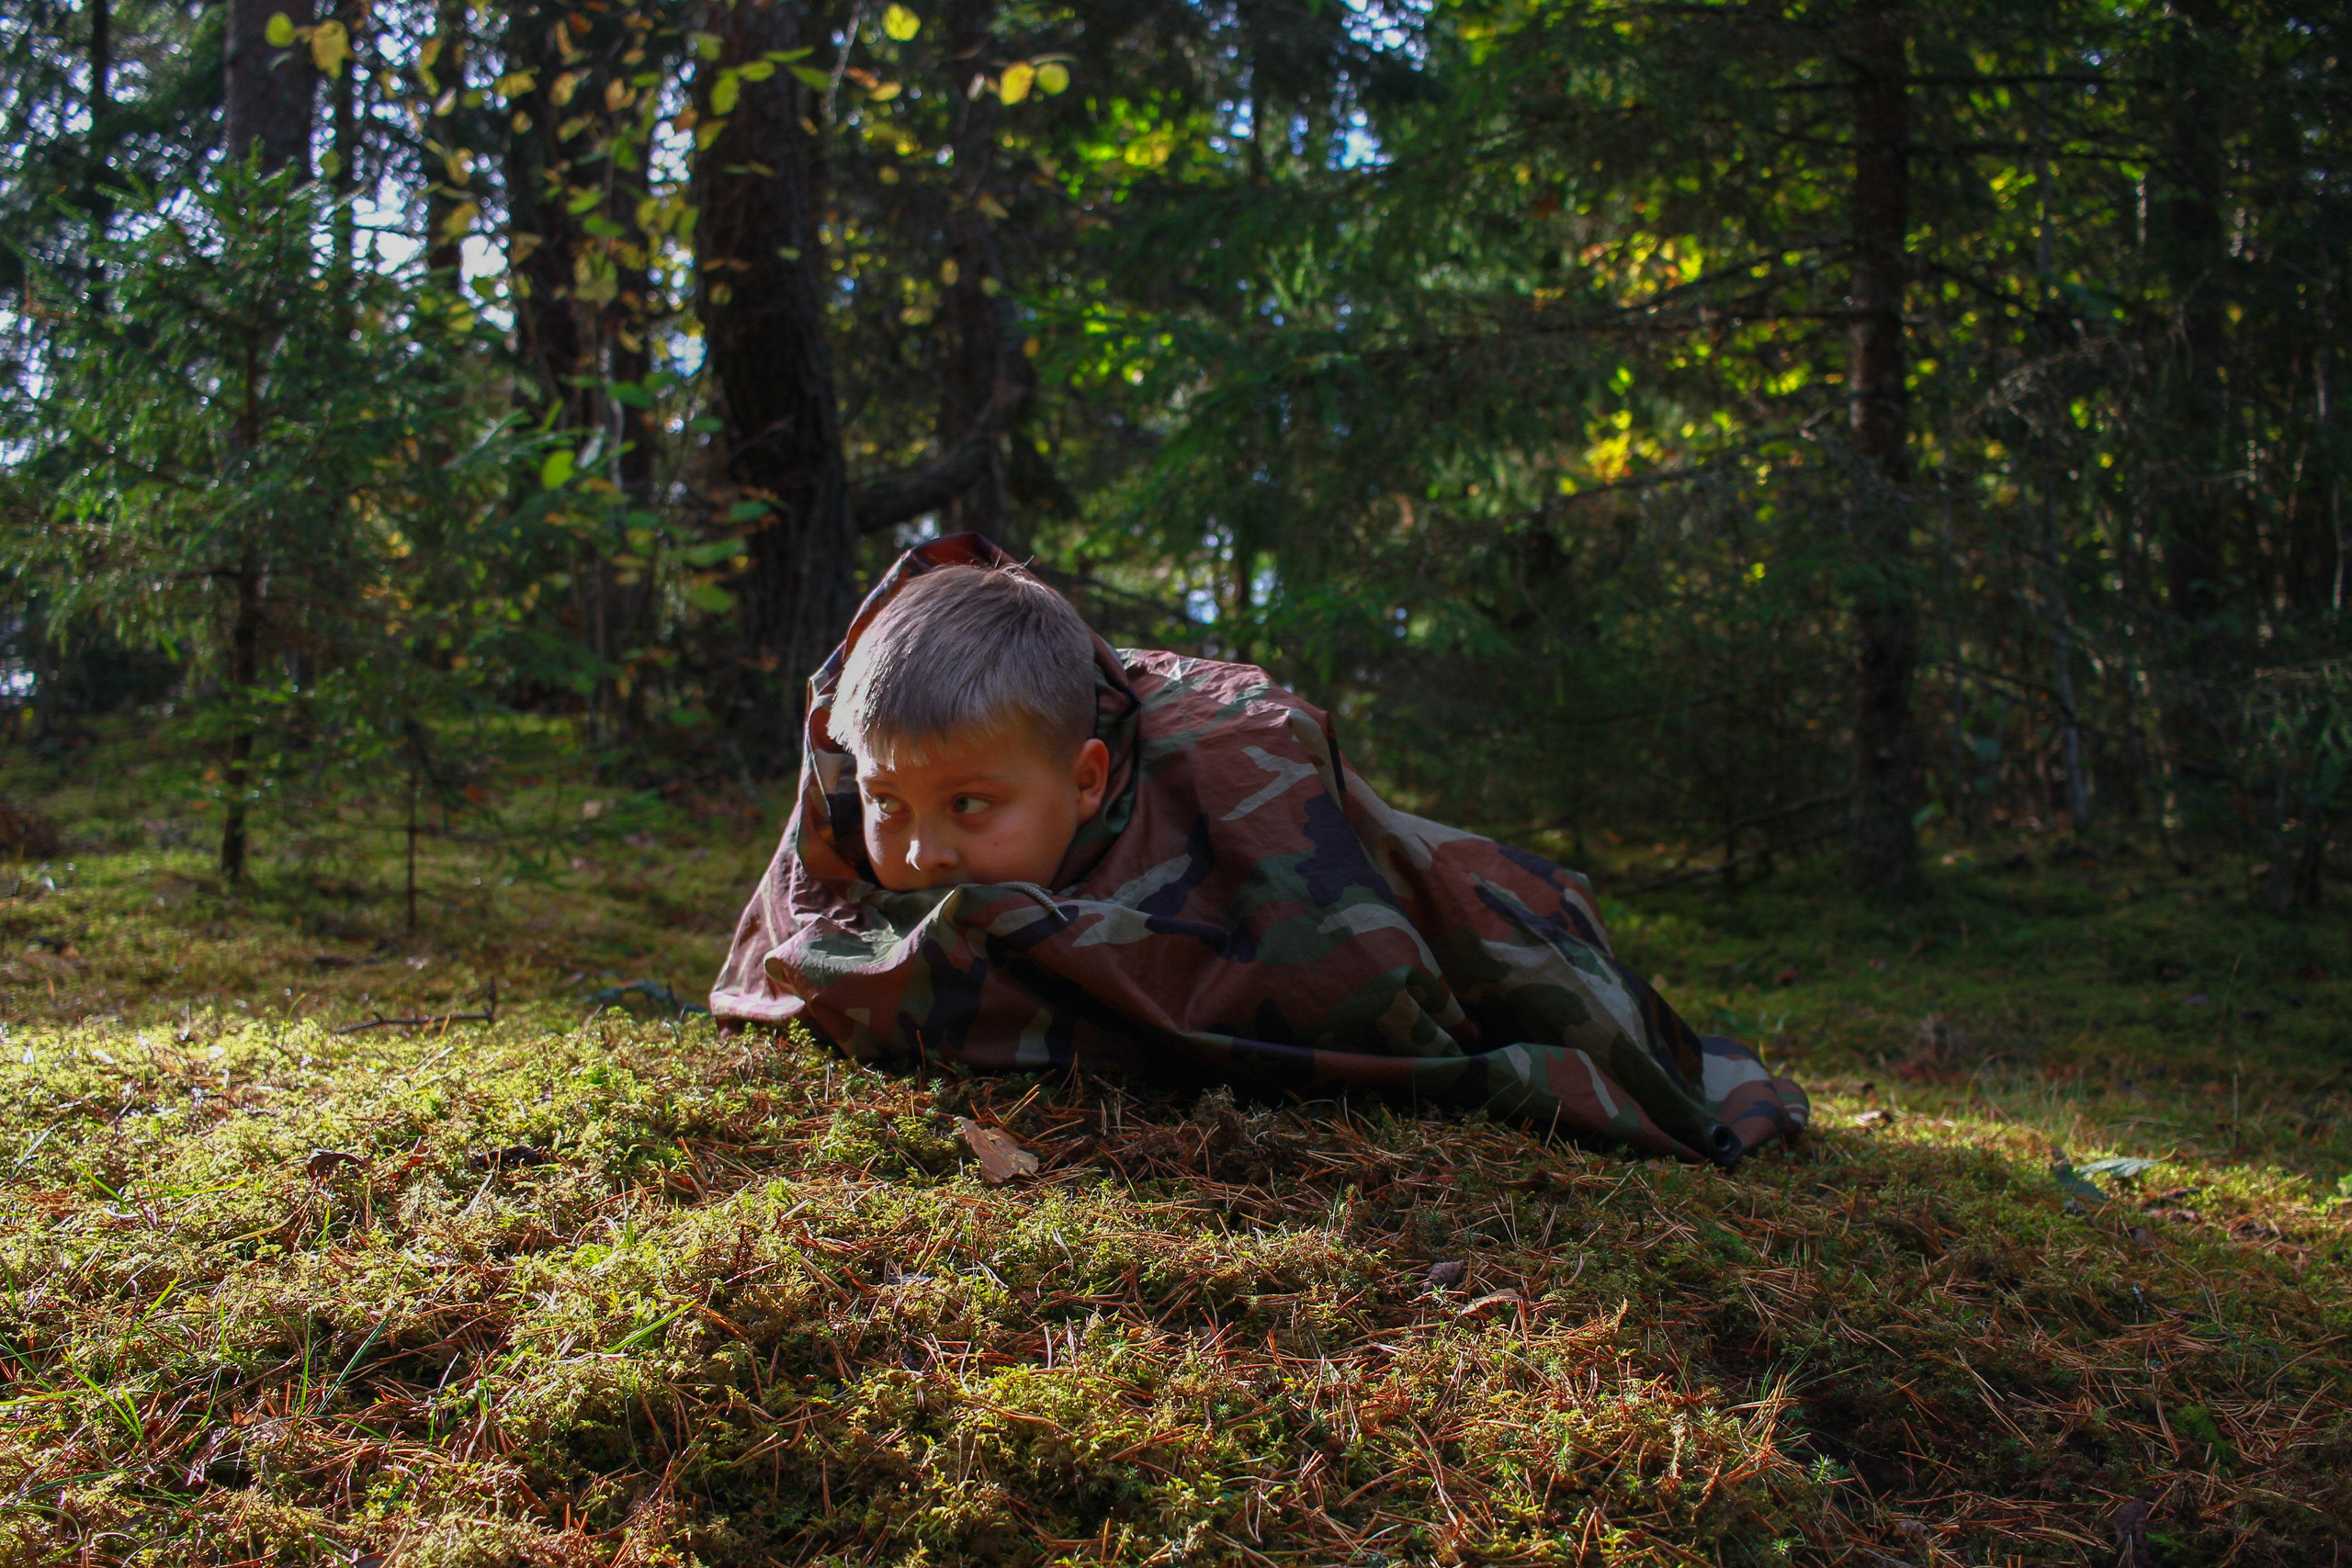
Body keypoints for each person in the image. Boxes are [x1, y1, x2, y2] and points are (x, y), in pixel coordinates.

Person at [712, 535, 1807, 1166]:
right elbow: (785, 950)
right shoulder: (854, 778)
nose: (925, 852)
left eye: (971, 806)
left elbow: (1365, 988)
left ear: (1086, 778)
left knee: (1522, 932)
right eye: (890, 804)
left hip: (1434, 890)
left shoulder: (1232, 788)